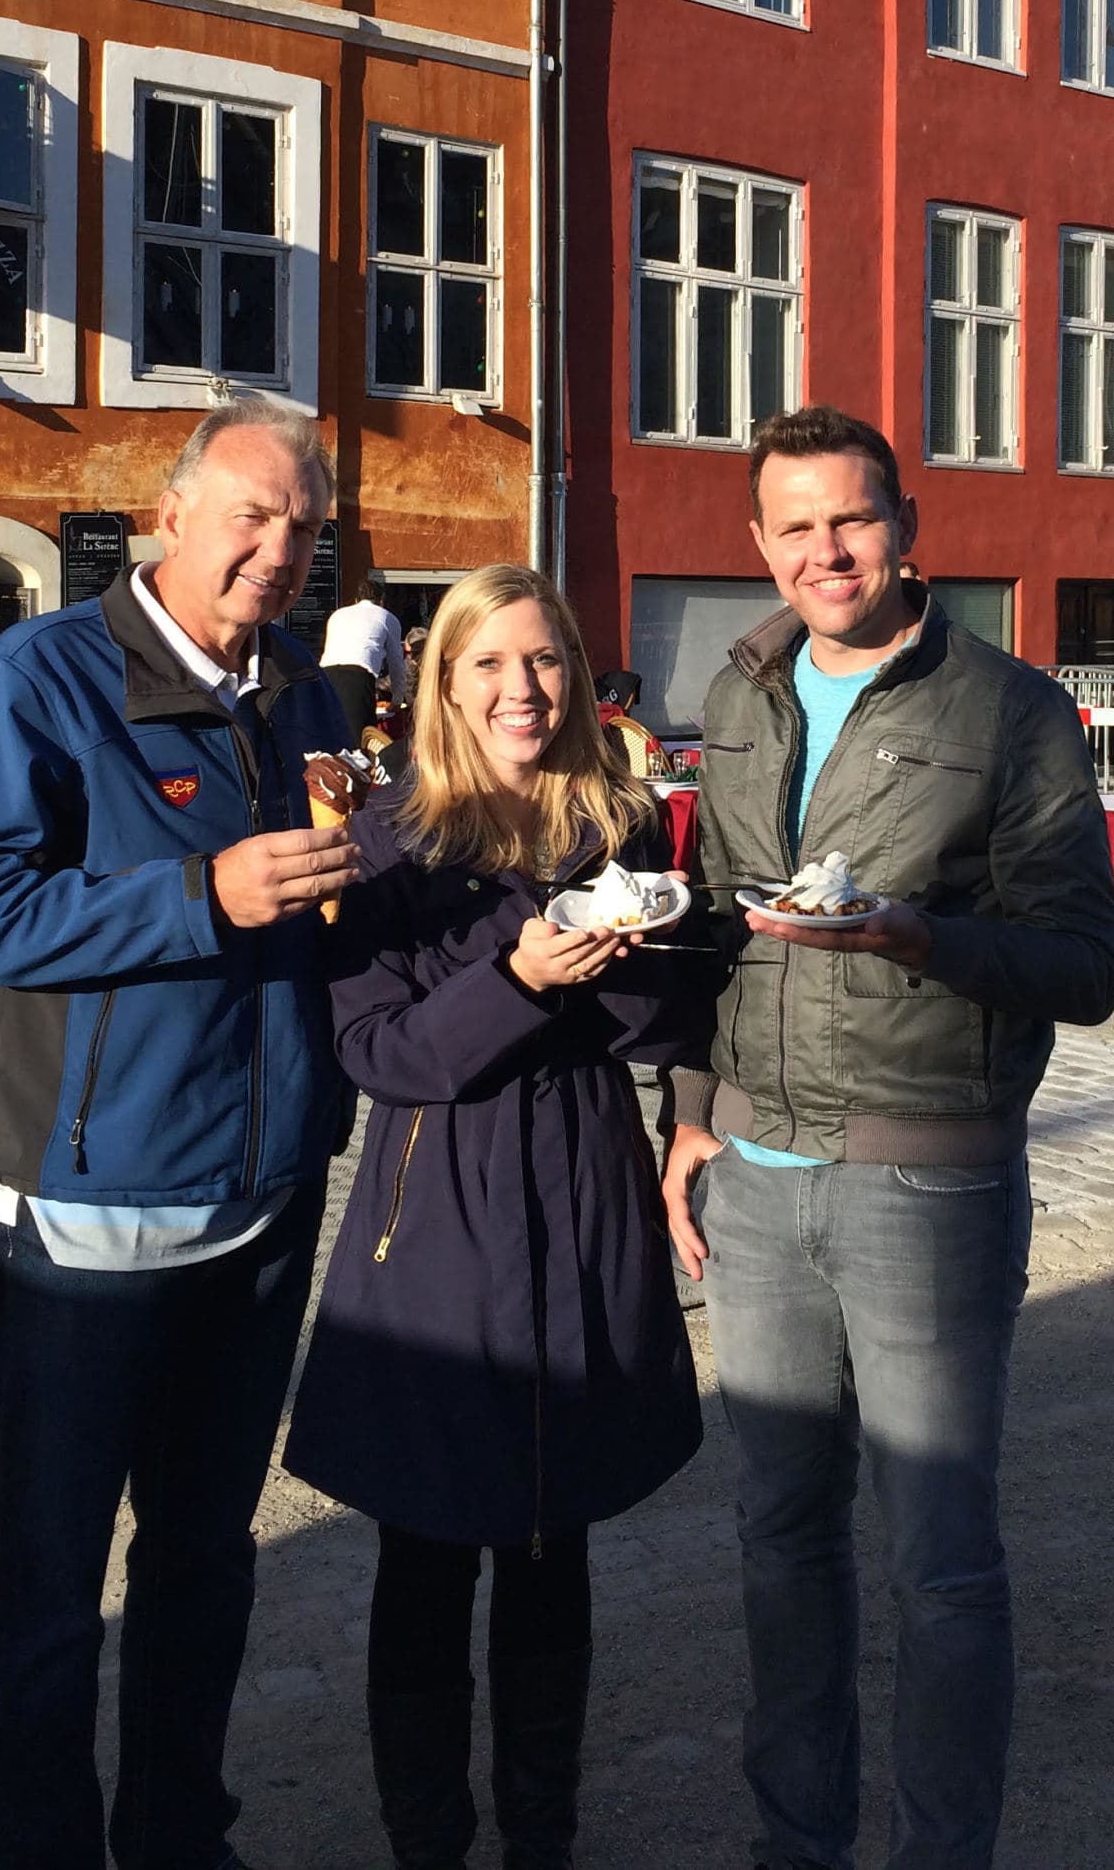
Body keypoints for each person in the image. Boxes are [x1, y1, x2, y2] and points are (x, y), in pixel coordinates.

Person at [661, 405, 1114, 1870]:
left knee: (939, 1563)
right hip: (754, 1180)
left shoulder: (1009, 708)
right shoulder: (740, 689)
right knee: (779, 1539)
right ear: (759, 542)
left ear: (905, 526)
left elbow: (1087, 965)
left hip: (926, 1175)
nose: (826, 550)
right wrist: (687, 1115)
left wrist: (921, 935)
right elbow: (714, 928)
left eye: (851, 519)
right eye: (795, 526)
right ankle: (796, 1845)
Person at [0, 396, 365, 1870]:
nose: (278, 548)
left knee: (204, 1560)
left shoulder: (304, 692)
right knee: (53, 1581)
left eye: (305, 525)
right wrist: (198, 894)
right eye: (251, 513)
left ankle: (179, 1835)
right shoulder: (44, 676)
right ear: (170, 516)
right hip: (87, 1207)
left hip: (264, 1194)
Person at [285, 564, 720, 1870]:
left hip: (584, 1189)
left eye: (543, 660)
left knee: (550, 1535)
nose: (520, 687)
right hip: (435, 1212)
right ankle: (428, 1842)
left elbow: (665, 1025)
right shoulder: (386, 836)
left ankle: (543, 1836)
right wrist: (520, 977)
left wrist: (638, 966)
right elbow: (378, 1050)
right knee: (426, 1547)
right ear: (443, 681)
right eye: (489, 661)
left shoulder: (615, 818)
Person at [323, 569, 411, 743]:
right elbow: (396, 663)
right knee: (361, 738)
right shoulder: (387, 617)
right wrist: (397, 699)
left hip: (326, 676)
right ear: (381, 600)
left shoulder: (337, 615)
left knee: (330, 735)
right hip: (357, 677)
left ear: (356, 600)